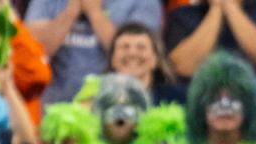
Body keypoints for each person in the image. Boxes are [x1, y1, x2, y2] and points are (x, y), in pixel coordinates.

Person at [25, 0, 163, 105]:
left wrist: (95, 13)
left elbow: (134, 57)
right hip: (53, 110)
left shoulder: (143, 2)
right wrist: (70, 12)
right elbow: (33, 55)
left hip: (117, 108)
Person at [164, 0, 256, 79]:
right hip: (199, 98)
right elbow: (182, 68)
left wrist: (231, 6)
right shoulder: (182, 14)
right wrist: (216, 9)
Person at [107, 21, 184, 105]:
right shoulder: (94, 98)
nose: (132, 53)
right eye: (125, 47)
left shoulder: (178, 99)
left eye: (141, 47)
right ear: (112, 59)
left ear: (155, 60)